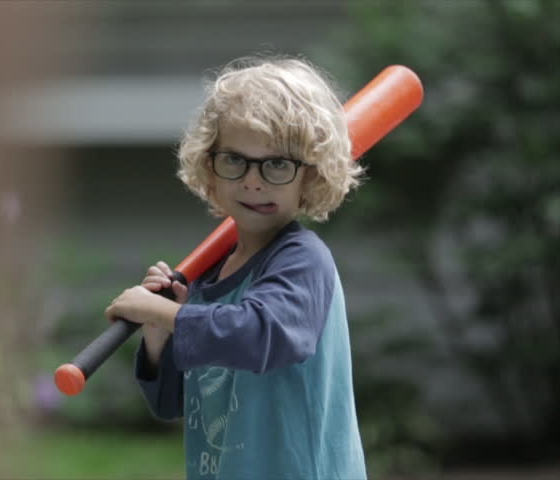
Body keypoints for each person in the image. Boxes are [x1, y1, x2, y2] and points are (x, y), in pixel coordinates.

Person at [104, 56, 367, 479]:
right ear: (210, 166)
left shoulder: (302, 260)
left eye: (277, 164)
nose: (253, 180)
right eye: (235, 161)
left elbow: (263, 335)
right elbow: (173, 402)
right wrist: (159, 337)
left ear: (311, 176)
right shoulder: (211, 280)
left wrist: (165, 314)